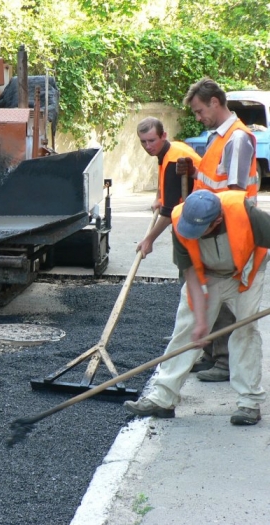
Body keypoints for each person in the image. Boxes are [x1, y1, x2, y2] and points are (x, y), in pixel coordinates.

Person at [124, 190, 268, 426]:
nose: (194, 235)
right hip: (207, 276)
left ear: (217, 221)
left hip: (245, 274)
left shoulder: (246, 214)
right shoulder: (181, 220)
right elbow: (190, 273)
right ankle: (163, 398)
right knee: (187, 330)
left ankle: (249, 402)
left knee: (245, 331)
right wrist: (201, 321)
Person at [177, 78, 259, 382]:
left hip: (228, 230)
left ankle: (224, 362)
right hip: (211, 228)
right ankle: (212, 354)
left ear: (215, 102)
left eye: (200, 111)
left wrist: (214, 227)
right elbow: (215, 177)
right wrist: (194, 172)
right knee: (210, 292)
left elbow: (235, 191)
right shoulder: (218, 137)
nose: (198, 117)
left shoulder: (237, 138)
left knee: (222, 296)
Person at [135, 117, 200, 259]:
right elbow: (161, 172)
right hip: (196, 210)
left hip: (200, 217)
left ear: (163, 135)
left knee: (190, 264)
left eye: (152, 140)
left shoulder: (174, 162)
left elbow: (168, 213)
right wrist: (158, 197)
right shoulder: (171, 149)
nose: (147, 146)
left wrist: (149, 240)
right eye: (143, 141)